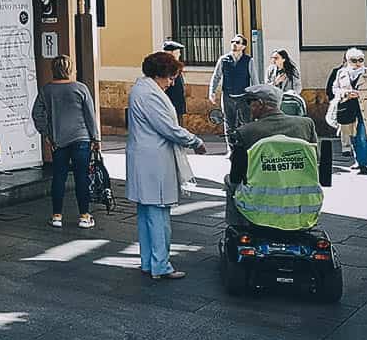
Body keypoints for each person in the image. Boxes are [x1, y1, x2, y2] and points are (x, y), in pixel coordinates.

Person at [127, 51, 206, 280]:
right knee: (159, 215)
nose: (172, 83)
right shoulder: (149, 94)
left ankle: (148, 262)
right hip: (154, 161)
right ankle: (161, 265)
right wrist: (195, 141)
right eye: (171, 78)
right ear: (160, 74)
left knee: (146, 213)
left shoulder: (142, 89)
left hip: (145, 158)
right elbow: (168, 128)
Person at [225, 84, 317, 226]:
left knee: (229, 181)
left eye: (250, 103)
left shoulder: (245, 132)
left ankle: (237, 225)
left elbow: (237, 174)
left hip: (260, 205)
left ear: (260, 104)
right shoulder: (306, 124)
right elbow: (316, 161)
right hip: (302, 205)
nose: (249, 107)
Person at [32, 55, 100, 229]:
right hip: (81, 138)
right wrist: (95, 138)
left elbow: (37, 114)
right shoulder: (80, 88)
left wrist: (46, 134)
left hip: (58, 140)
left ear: (53, 70)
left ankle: (57, 216)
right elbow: (89, 116)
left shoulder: (46, 90)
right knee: (81, 178)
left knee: (59, 178)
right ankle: (84, 216)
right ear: (70, 69)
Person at [331, 48, 367, 175]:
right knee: (352, 136)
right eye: (354, 60)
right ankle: (357, 161)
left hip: (366, 110)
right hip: (348, 108)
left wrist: (360, 94)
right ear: (348, 61)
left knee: (362, 136)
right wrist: (345, 93)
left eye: (361, 60)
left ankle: (363, 164)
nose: (358, 63)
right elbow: (335, 88)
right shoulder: (341, 73)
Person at [209, 34, 260, 136]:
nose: (234, 44)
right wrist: (212, 92)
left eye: (237, 42)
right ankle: (231, 150)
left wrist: (256, 97)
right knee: (229, 124)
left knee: (246, 123)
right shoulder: (223, 60)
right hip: (227, 96)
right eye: (232, 42)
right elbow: (216, 76)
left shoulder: (249, 60)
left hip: (243, 97)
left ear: (243, 46)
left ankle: (246, 148)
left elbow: (255, 80)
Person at [325, 51, 351, 157]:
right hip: (342, 102)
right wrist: (335, 101)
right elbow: (329, 89)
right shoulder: (337, 71)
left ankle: (357, 147)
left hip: (357, 103)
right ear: (344, 60)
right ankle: (346, 148)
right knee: (344, 126)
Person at [162, 40, 187, 118]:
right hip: (171, 104)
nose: (179, 54)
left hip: (176, 103)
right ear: (172, 53)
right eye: (178, 52)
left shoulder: (175, 65)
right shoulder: (166, 67)